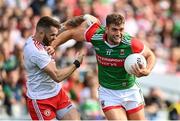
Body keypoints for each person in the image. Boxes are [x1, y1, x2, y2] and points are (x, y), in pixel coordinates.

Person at [47, 13, 156, 120]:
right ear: (107, 29)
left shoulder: (130, 43)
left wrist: (147, 70)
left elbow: (150, 55)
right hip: (108, 93)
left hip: (130, 90)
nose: (118, 33)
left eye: (121, 29)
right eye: (114, 29)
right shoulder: (96, 36)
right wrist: (53, 46)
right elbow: (71, 33)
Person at [23, 16, 83, 120]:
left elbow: (65, 26)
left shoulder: (42, 38)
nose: (55, 38)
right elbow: (57, 76)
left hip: (57, 93)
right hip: (41, 100)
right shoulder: (35, 52)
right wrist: (76, 63)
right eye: (52, 35)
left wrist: (83, 17)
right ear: (41, 33)